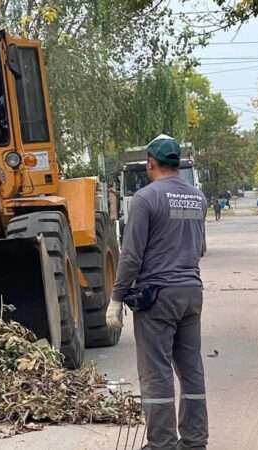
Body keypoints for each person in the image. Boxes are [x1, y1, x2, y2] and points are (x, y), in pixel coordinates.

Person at [106, 134, 208, 450]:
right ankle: (195, 441)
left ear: (150, 163)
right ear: (177, 163)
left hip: (158, 297)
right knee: (191, 370)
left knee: (156, 373)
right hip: (191, 293)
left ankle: (162, 444)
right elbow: (198, 247)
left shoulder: (146, 198)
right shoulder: (198, 198)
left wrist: (117, 297)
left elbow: (131, 255)